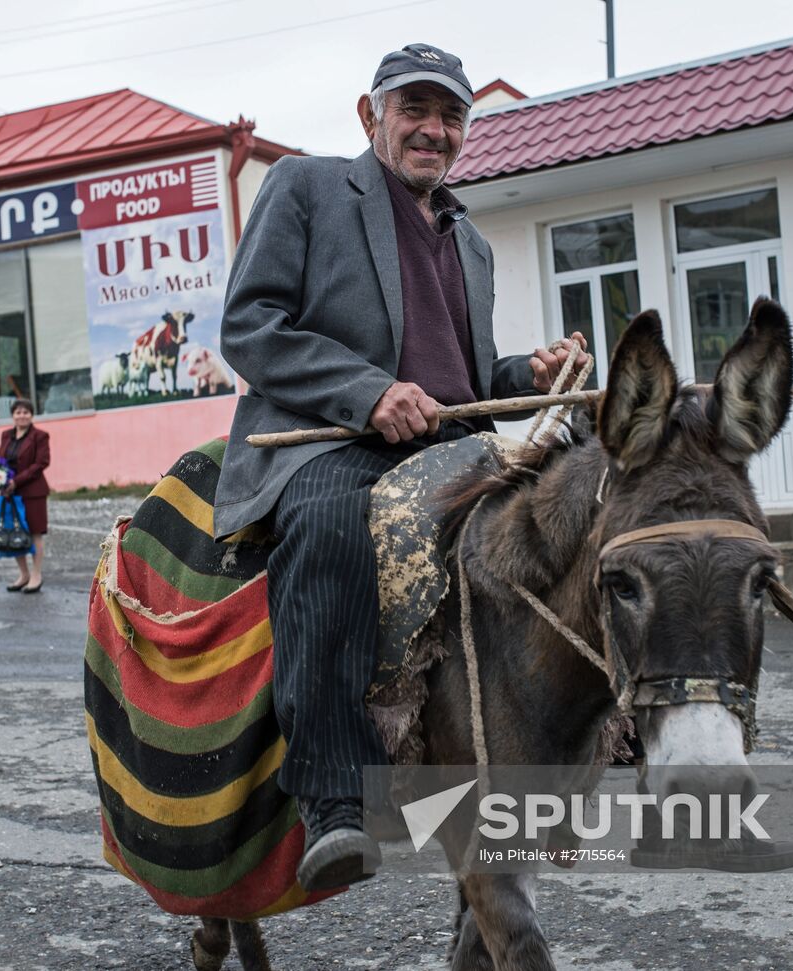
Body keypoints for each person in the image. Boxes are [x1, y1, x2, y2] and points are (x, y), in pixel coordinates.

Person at [214, 43, 589, 892]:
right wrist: (367, 392)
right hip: (325, 442)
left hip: (450, 445)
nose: (433, 129)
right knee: (327, 528)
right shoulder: (307, 189)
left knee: (575, 514)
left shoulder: (471, 242)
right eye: (413, 109)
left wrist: (526, 377)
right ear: (369, 115)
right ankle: (336, 800)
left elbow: (460, 384)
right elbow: (251, 325)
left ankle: (573, 751)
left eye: (450, 115)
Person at [0, 399, 50, 593]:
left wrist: (16, 481)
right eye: (18, 412)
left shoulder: (40, 436)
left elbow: (41, 463)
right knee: (15, 534)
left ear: (32, 415)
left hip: (33, 492)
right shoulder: (6, 436)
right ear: (13, 415)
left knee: (35, 534)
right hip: (10, 494)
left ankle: (36, 575)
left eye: (26, 412)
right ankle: (24, 574)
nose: (22, 415)